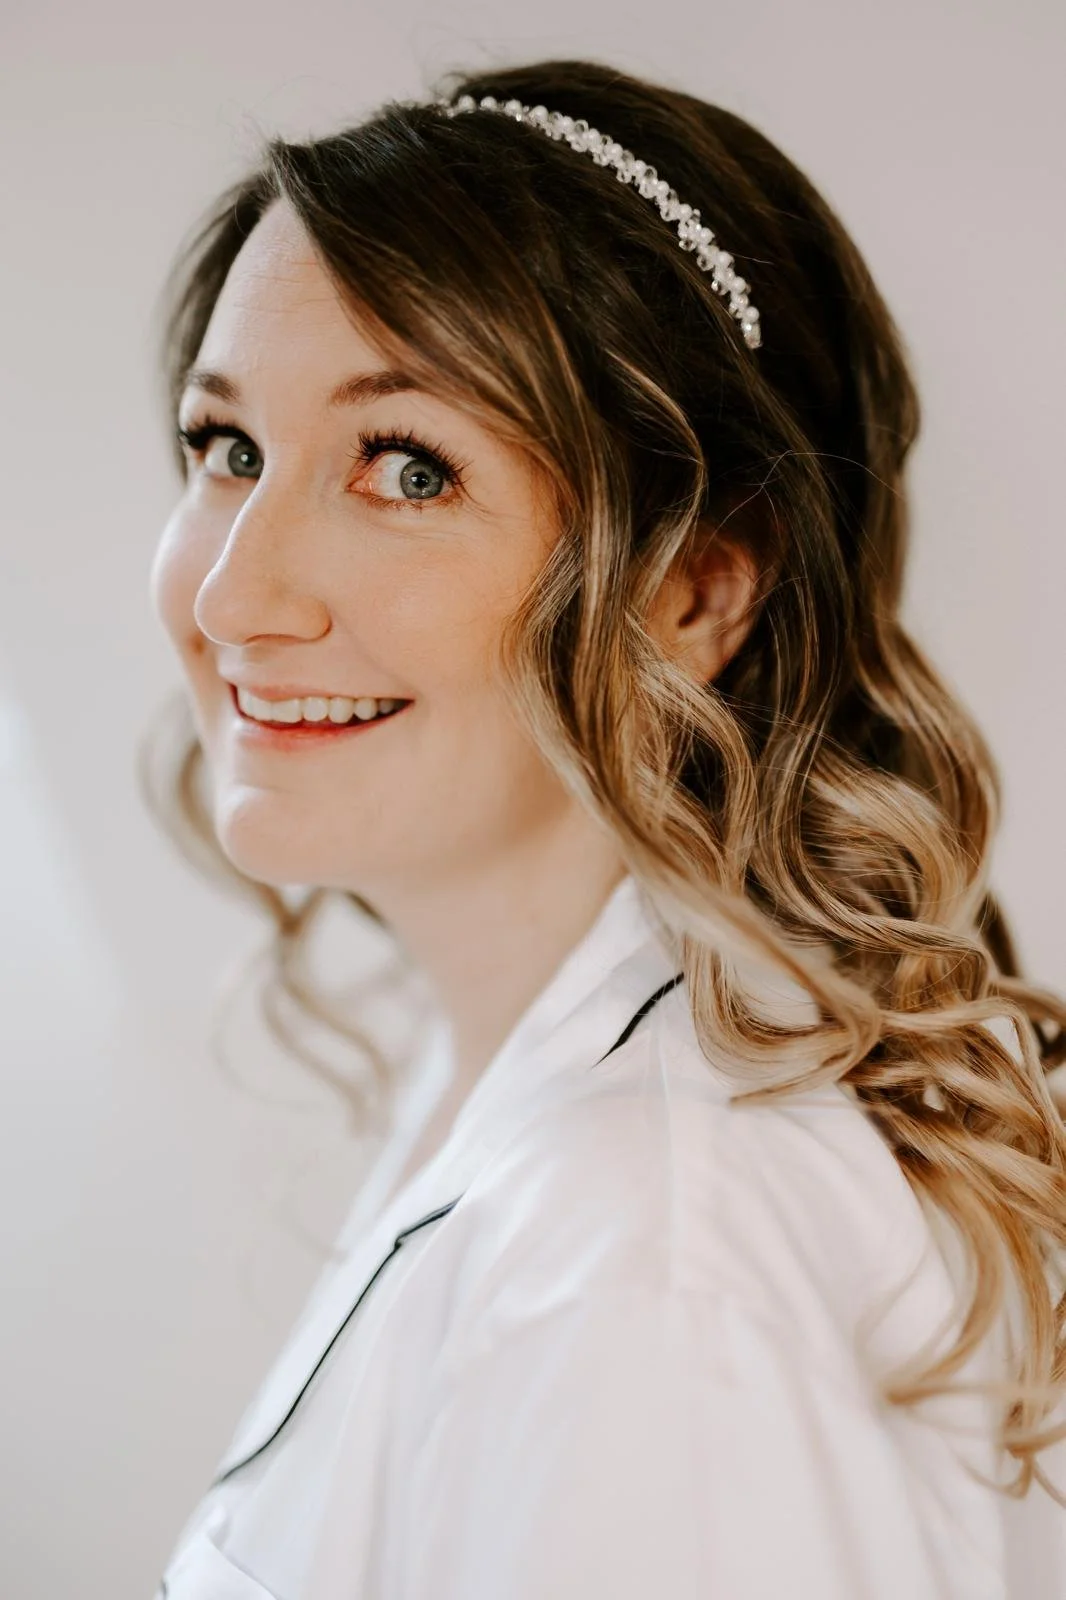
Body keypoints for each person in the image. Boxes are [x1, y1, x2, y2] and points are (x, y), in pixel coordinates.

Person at [141, 55, 1066, 1600]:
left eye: (405, 466)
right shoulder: (539, 1092)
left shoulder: (638, 1260)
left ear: (695, 589)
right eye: (227, 447)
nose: (233, 596)